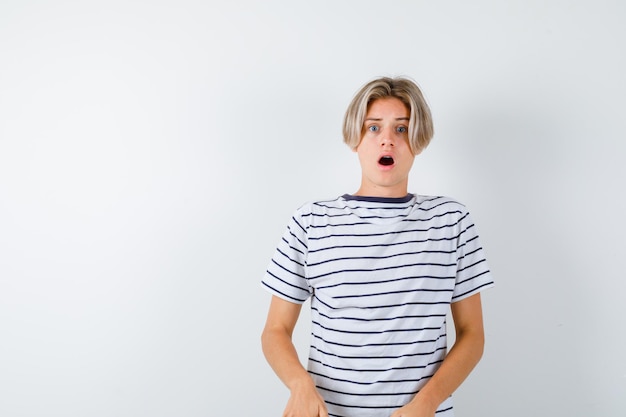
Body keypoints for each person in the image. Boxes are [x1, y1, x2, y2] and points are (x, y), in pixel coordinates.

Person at [260, 76, 494, 417]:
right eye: (373, 128)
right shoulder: (310, 221)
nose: (387, 140)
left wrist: (427, 403)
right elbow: (275, 330)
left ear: (418, 139)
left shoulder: (450, 221)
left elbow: (473, 334)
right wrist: (300, 385)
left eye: (401, 129)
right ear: (355, 138)